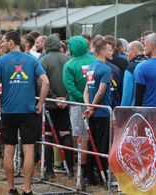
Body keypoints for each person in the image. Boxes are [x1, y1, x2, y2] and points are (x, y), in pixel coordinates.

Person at [0, 31, 49, 195]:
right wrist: (40, 103)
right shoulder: (31, 60)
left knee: (9, 149)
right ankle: (27, 189)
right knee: (29, 150)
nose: (2, 45)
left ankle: (11, 188)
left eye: (3, 42)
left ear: (11, 43)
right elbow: (46, 81)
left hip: (9, 110)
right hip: (28, 110)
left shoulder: (0, 61)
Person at [40, 34, 74, 180]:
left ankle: (49, 170)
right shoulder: (68, 59)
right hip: (65, 104)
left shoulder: (43, 60)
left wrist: (54, 98)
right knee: (66, 134)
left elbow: (42, 83)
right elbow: (71, 82)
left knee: (48, 136)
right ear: (60, 46)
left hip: (49, 103)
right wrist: (64, 98)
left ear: (46, 46)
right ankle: (71, 170)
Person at [63, 35, 96, 183]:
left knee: (81, 138)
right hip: (96, 104)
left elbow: (70, 87)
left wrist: (83, 99)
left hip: (78, 105)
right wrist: (91, 100)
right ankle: (94, 167)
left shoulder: (69, 64)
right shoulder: (95, 61)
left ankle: (82, 171)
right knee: (92, 137)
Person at [83, 39, 112, 185]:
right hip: (102, 113)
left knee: (91, 144)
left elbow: (86, 91)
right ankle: (101, 177)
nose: (111, 52)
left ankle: (90, 176)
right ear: (101, 51)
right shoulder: (106, 69)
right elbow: (100, 93)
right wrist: (93, 108)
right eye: (109, 49)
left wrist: (89, 107)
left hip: (93, 112)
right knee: (102, 146)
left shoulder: (90, 67)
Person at [121, 41, 146, 106]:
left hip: (135, 110)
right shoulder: (150, 65)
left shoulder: (131, 69)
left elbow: (127, 95)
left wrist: (122, 111)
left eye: (128, 51)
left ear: (134, 52)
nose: (126, 54)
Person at [135, 33, 156, 106]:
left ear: (151, 46)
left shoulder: (143, 67)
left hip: (149, 112)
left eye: (145, 45)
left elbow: (139, 96)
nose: (144, 48)